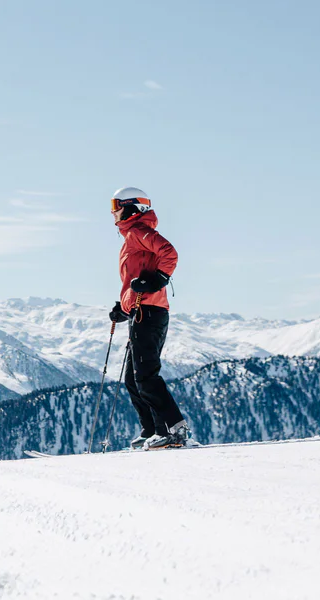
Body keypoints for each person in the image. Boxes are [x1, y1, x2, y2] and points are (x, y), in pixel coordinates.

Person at [108, 187, 191, 450]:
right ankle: (152, 430)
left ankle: (172, 429)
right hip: (142, 310)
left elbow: (170, 253)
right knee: (134, 378)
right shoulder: (133, 236)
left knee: (145, 374)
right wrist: (124, 307)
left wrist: (160, 279)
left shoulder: (138, 232)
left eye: (116, 205)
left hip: (150, 312)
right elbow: (139, 279)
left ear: (132, 208)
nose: (113, 211)